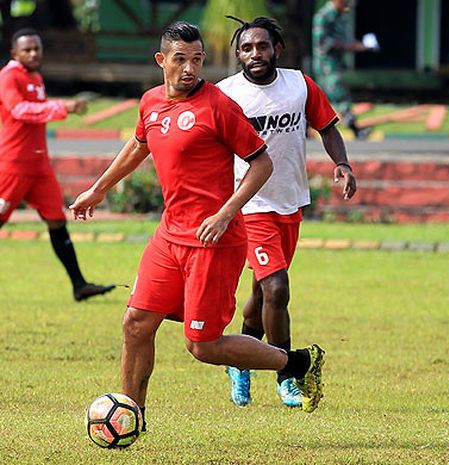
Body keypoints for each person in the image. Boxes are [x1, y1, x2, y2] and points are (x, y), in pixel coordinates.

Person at [69, 21, 326, 427]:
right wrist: (99, 189)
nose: (189, 69)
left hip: (215, 240)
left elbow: (262, 162)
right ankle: (129, 418)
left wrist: (226, 213)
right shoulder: (151, 102)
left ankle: (296, 362)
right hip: (169, 237)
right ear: (161, 61)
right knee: (136, 322)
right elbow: (139, 145)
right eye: (180, 60)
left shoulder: (218, 105)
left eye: (197, 60)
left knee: (203, 345)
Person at [217, 16, 356, 408]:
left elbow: (327, 127)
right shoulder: (226, 94)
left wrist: (342, 164)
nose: (255, 54)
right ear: (238, 54)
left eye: (262, 46)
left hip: (290, 202)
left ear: (277, 48)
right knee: (277, 289)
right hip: (250, 205)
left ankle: (239, 361)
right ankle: (287, 374)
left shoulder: (298, 84)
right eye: (246, 48)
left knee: (263, 292)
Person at [0, 28, 114, 302]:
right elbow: (19, 111)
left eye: (37, 49)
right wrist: (63, 107)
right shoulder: (8, 76)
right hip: (13, 164)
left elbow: (34, 108)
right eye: (27, 50)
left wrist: (60, 106)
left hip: (39, 166)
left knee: (56, 220)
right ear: (15, 53)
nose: (33, 54)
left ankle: (79, 285)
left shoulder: (35, 77)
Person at [312, 0, 374, 140]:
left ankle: (304, 129)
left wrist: (358, 45)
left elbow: (344, 39)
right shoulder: (323, 16)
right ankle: (355, 129)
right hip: (326, 65)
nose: (348, 5)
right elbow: (322, 42)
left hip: (335, 63)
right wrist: (348, 46)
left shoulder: (340, 16)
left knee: (319, 99)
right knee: (339, 96)